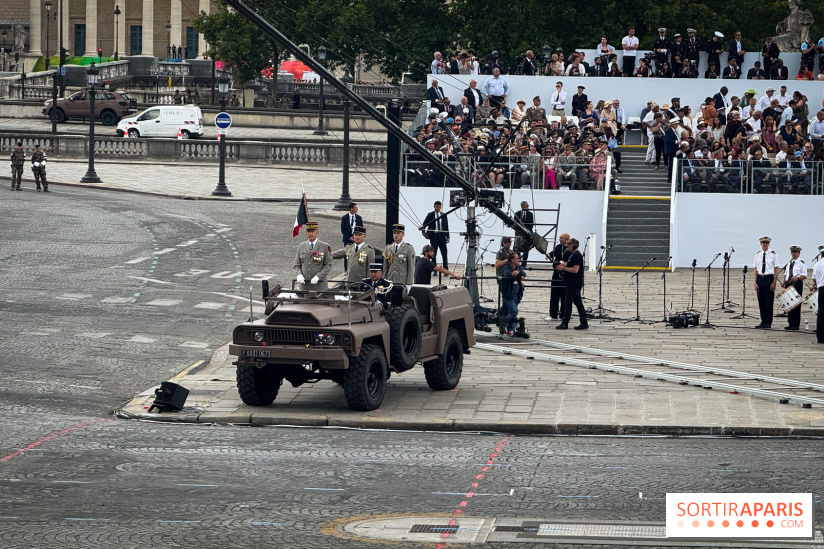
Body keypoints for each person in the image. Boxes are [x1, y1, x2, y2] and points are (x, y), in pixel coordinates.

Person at [555, 238, 588, 330]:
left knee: (568, 302)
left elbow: (575, 269)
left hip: (574, 284)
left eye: (569, 244)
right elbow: (569, 264)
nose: (567, 245)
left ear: (574, 245)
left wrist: (563, 269)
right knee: (578, 303)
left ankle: (565, 322)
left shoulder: (577, 255)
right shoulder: (572, 255)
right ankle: (584, 322)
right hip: (572, 283)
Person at [294, 221, 332, 291]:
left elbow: (328, 265)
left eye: (312, 231)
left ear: (317, 232)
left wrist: (318, 277)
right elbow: (297, 265)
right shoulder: (301, 246)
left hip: (319, 287)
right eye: (308, 231)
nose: (310, 234)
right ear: (306, 233)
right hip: (304, 286)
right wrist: (299, 274)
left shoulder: (324, 246)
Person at [753, 236, 779, 329]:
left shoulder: (773, 254)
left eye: (766, 243)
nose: (765, 244)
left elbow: (776, 268)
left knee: (769, 301)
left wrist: (774, 282)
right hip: (760, 278)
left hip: (769, 278)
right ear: (761, 244)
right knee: (761, 301)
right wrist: (755, 282)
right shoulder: (757, 255)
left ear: (769, 244)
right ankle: (763, 320)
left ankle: (768, 321)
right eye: (763, 243)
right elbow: (755, 269)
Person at [544, 233, 571, 321]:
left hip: (565, 273)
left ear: (566, 239)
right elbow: (552, 253)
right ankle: (553, 314)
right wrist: (548, 255)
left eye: (561, 238)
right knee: (554, 294)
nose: (559, 239)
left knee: (564, 295)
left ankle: (563, 314)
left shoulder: (570, 248)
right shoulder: (559, 247)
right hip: (556, 273)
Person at [500, 252, 526, 336]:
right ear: (512, 260)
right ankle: (510, 328)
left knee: (506, 310)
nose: (519, 260)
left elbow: (523, 273)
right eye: (517, 258)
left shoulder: (517, 267)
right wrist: (513, 274)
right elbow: (507, 275)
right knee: (514, 310)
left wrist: (518, 274)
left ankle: (505, 324)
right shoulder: (506, 267)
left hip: (516, 294)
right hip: (508, 294)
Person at [782, 245, 806, 330]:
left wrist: (798, 278)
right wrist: (784, 281)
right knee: (789, 304)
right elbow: (786, 274)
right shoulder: (789, 263)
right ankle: (790, 323)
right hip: (789, 284)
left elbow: (804, 275)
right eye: (792, 252)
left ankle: (796, 324)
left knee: (796, 304)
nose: (794, 254)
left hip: (797, 284)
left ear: (799, 253)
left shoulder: (801, 263)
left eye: (795, 252)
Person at [421, 200, 450, 268]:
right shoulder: (430, 215)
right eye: (436, 207)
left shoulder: (443, 215)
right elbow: (424, 224)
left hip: (442, 236)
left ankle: (445, 268)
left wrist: (448, 237)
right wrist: (423, 233)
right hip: (434, 236)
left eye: (439, 207)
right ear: (434, 206)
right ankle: (434, 268)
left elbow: (446, 227)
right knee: (433, 253)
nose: (438, 208)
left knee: (444, 253)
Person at [514, 202, 534, 267]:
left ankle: (524, 263)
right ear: (522, 206)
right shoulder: (517, 214)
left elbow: (531, 224)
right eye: (526, 206)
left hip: (527, 233)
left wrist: (526, 231)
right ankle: (516, 262)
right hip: (518, 234)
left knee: (526, 248)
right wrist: (520, 231)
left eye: (528, 206)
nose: (528, 207)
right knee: (517, 248)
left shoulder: (530, 214)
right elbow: (515, 224)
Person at [811, 246, 824, 344]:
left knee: (821, 313)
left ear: (821, 255)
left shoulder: (817, 265)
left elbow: (814, 279)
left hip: (821, 289)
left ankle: (820, 336)